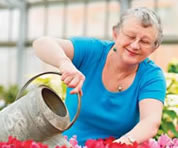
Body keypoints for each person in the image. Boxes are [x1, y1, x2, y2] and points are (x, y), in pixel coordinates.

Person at [33, 7, 166, 146]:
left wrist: (119, 144)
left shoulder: (152, 77)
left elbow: (150, 122)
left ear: (154, 48)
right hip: (68, 145)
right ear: (116, 34)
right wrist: (65, 64)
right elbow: (41, 44)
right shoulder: (92, 51)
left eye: (144, 42)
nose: (135, 45)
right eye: (130, 36)